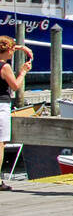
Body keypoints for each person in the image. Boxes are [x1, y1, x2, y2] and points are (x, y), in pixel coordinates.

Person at [0, 36, 32, 191]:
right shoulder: (4, 67)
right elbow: (15, 85)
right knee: (0, 144)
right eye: (12, 50)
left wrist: (20, 47)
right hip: (1, 106)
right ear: (7, 50)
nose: (13, 53)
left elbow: (7, 47)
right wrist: (23, 72)